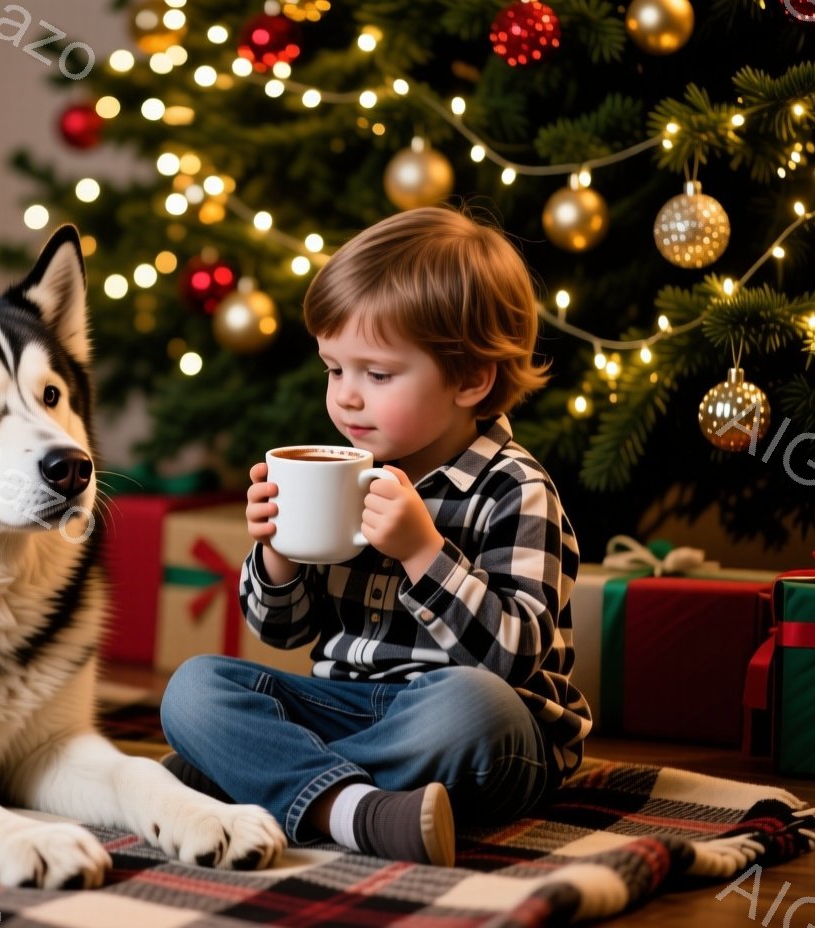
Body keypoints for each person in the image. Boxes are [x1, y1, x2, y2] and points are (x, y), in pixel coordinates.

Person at [159, 207, 590, 867]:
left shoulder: (514, 488)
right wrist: (276, 554)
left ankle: (264, 777)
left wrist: (424, 552)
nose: (346, 398)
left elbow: (515, 658)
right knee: (193, 687)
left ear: (470, 379)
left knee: (472, 706)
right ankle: (355, 809)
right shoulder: (349, 474)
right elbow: (284, 632)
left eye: (377, 374)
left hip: (482, 730)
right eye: (335, 369)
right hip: (348, 705)